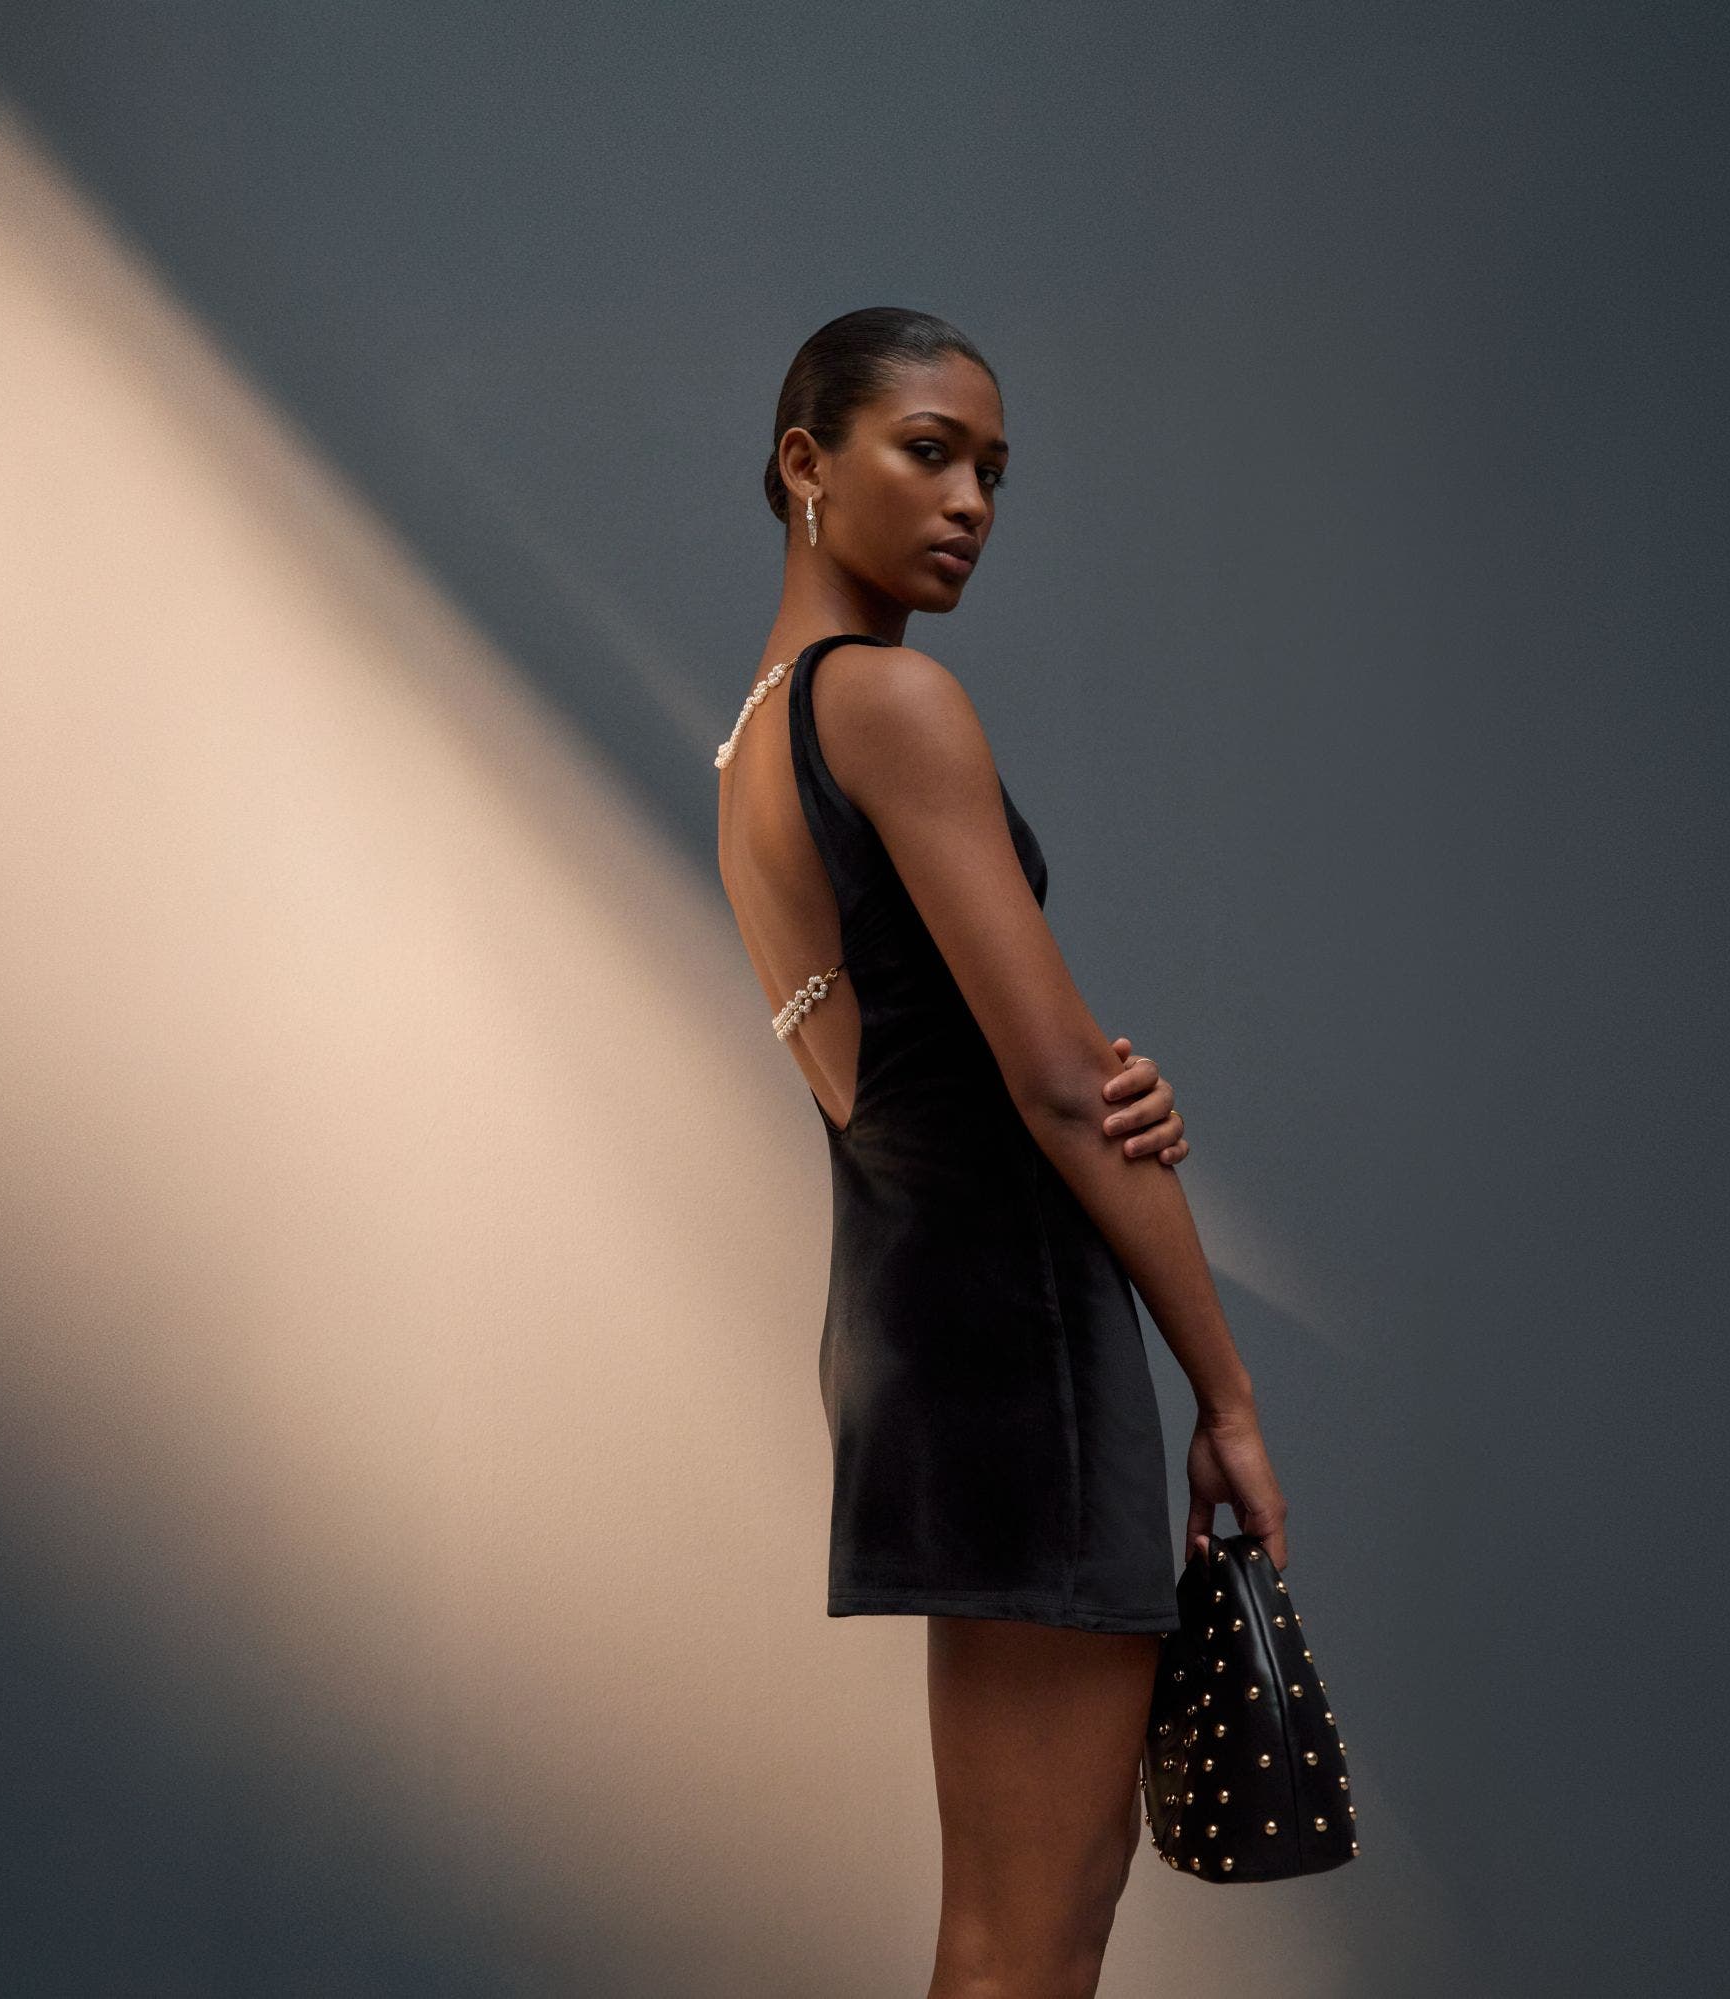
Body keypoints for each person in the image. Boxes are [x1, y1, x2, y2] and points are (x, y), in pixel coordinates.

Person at [712, 306, 1291, 1997]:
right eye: (929, 450)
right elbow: (1054, 1092)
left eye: (995, 471)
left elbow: (899, 1078)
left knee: (1007, 1910)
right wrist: (1229, 1398)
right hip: (1019, 1343)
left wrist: (1073, 1081)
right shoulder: (891, 703)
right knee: (1042, 1920)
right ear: (807, 464)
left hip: (913, 1334)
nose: (971, 499)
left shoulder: (755, 737)